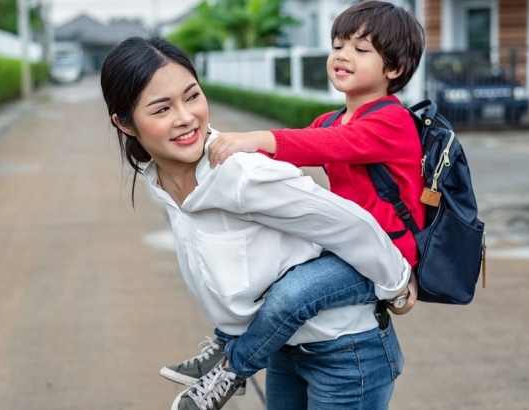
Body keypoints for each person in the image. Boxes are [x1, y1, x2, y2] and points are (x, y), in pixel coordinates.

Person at [100, 34, 411, 410]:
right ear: (125, 123)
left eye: (192, 96)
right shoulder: (159, 176)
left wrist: (397, 284)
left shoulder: (243, 174)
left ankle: (233, 366)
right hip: (285, 349)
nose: (186, 118)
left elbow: (352, 225)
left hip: (346, 353)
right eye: (162, 109)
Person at [171, 1, 425, 403]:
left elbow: (324, 146)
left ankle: (232, 369)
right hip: (344, 249)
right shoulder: (332, 119)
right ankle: (225, 343)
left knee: (293, 296)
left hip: (384, 251)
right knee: (267, 280)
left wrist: (255, 137)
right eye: (338, 44)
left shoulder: (392, 121)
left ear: (393, 69)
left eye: (361, 49)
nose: (342, 55)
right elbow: (293, 149)